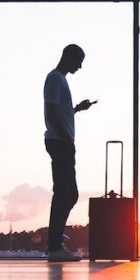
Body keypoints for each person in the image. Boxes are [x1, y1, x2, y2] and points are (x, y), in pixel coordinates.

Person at [44, 44, 93, 262]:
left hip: (61, 140)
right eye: (79, 61)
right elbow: (51, 113)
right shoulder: (55, 79)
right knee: (66, 193)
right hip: (60, 142)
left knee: (66, 193)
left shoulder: (60, 80)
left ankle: (55, 244)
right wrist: (66, 137)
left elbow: (59, 112)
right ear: (69, 57)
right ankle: (54, 246)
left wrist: (76, 110)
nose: (80, 66)